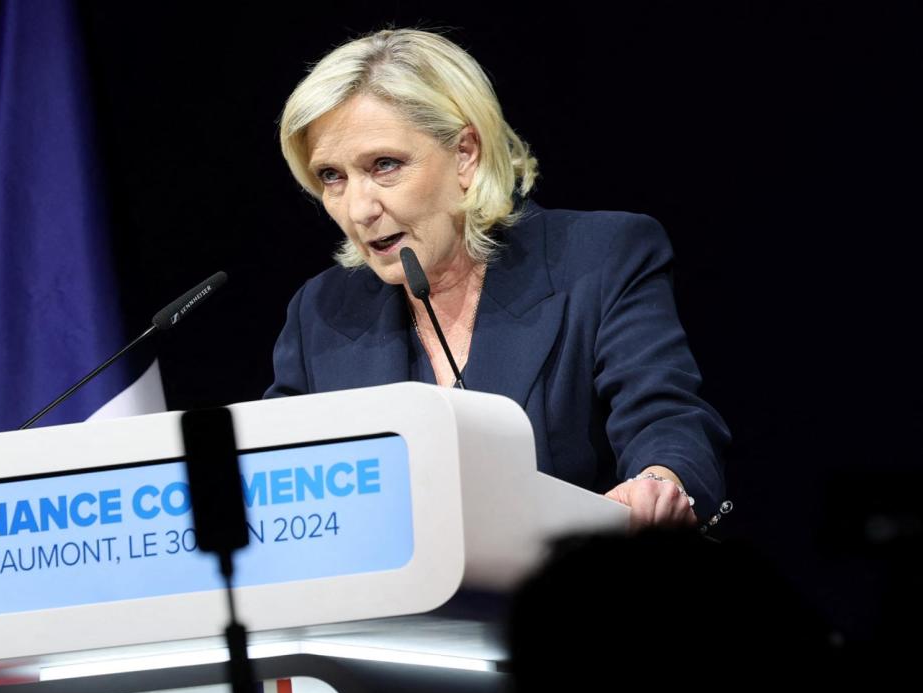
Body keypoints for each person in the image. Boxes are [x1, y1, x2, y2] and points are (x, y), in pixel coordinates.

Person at [265, 29, 730, 528]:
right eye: (332, 176)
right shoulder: (320, 311)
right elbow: (271, 480)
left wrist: (658, 482)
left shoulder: (599, 257)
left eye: (384, 165)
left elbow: (667, 417)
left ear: (466, 153)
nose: (358, 209)